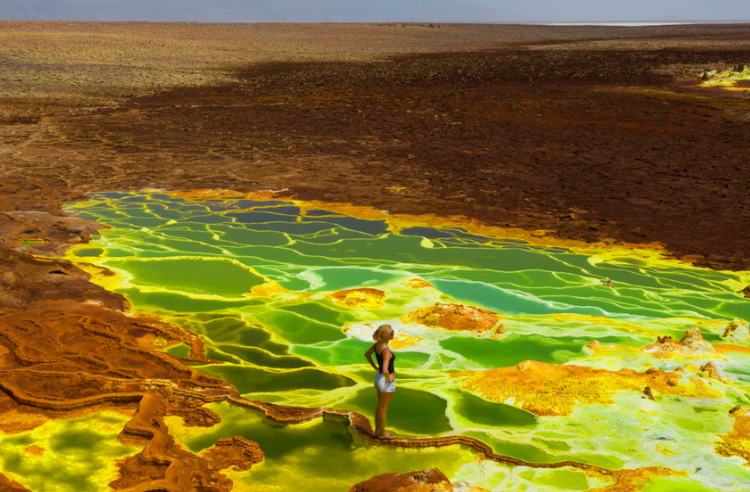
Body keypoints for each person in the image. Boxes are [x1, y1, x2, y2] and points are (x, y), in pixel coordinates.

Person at [364, 323, 396, 439]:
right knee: (384, 408)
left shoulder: (377, 345)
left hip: (378, 377)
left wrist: (375, 367)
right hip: (385, 380)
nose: (393, 334)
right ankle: (382, 433)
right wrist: (389, 378)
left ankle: (378, 430)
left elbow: (367, 355)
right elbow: (385, 370)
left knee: (380, 406)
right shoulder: (386, 351)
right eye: (392, 332)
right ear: (385, 336)